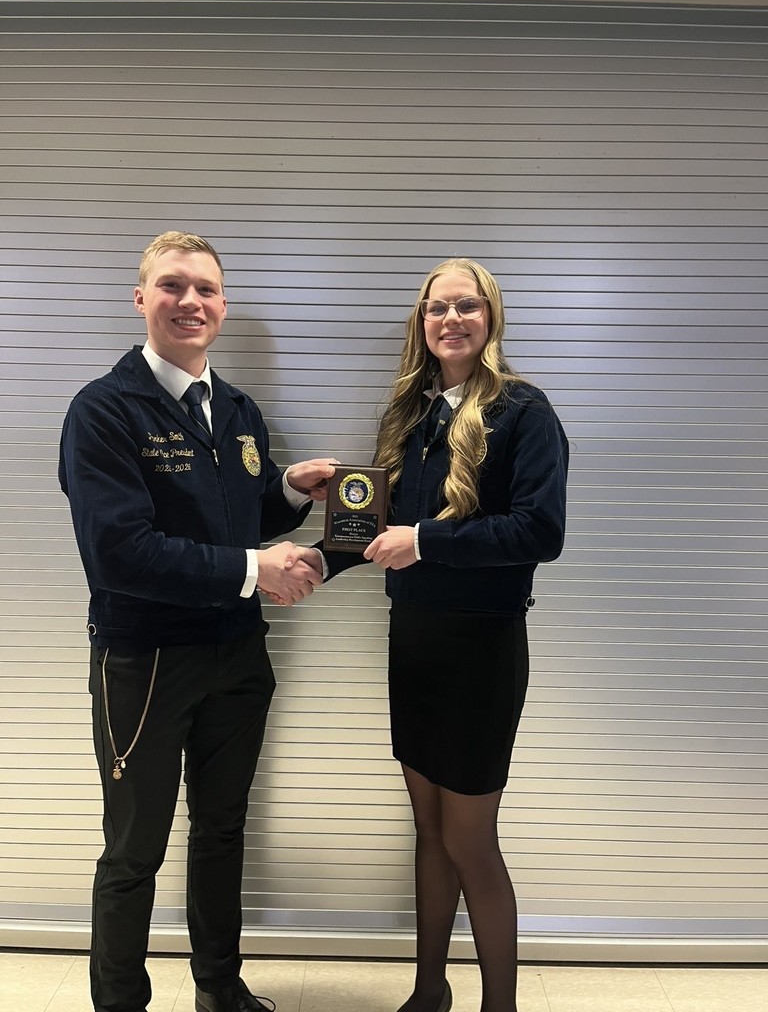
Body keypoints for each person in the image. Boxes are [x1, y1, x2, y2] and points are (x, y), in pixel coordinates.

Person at [58, 231, 337, 1012]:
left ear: (224, 305)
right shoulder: (103, 411)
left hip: (237, 655)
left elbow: (238, 517)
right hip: (145, 661)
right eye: (173, 286)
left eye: (206, 289)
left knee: (221, 831)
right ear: (140, 299)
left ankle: (219, 987)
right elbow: (119, 553)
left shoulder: (238, 410)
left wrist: (289, 490)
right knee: (134, 850)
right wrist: (254, 569)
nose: (191, 302)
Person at [302, 259, 568, 1012]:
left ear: (491, 317)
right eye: (436, 308)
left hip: (481, 649)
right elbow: (372, 531)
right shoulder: (412, 418)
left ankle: (499, 1006)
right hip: (414, 642)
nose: (451, 318)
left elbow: (539, 531)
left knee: (470, 841)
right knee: (429, 831)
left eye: (466, 305)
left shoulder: (524, 412)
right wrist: (311, 563)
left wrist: (425, 541)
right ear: (421, 323)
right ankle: (429, 991)